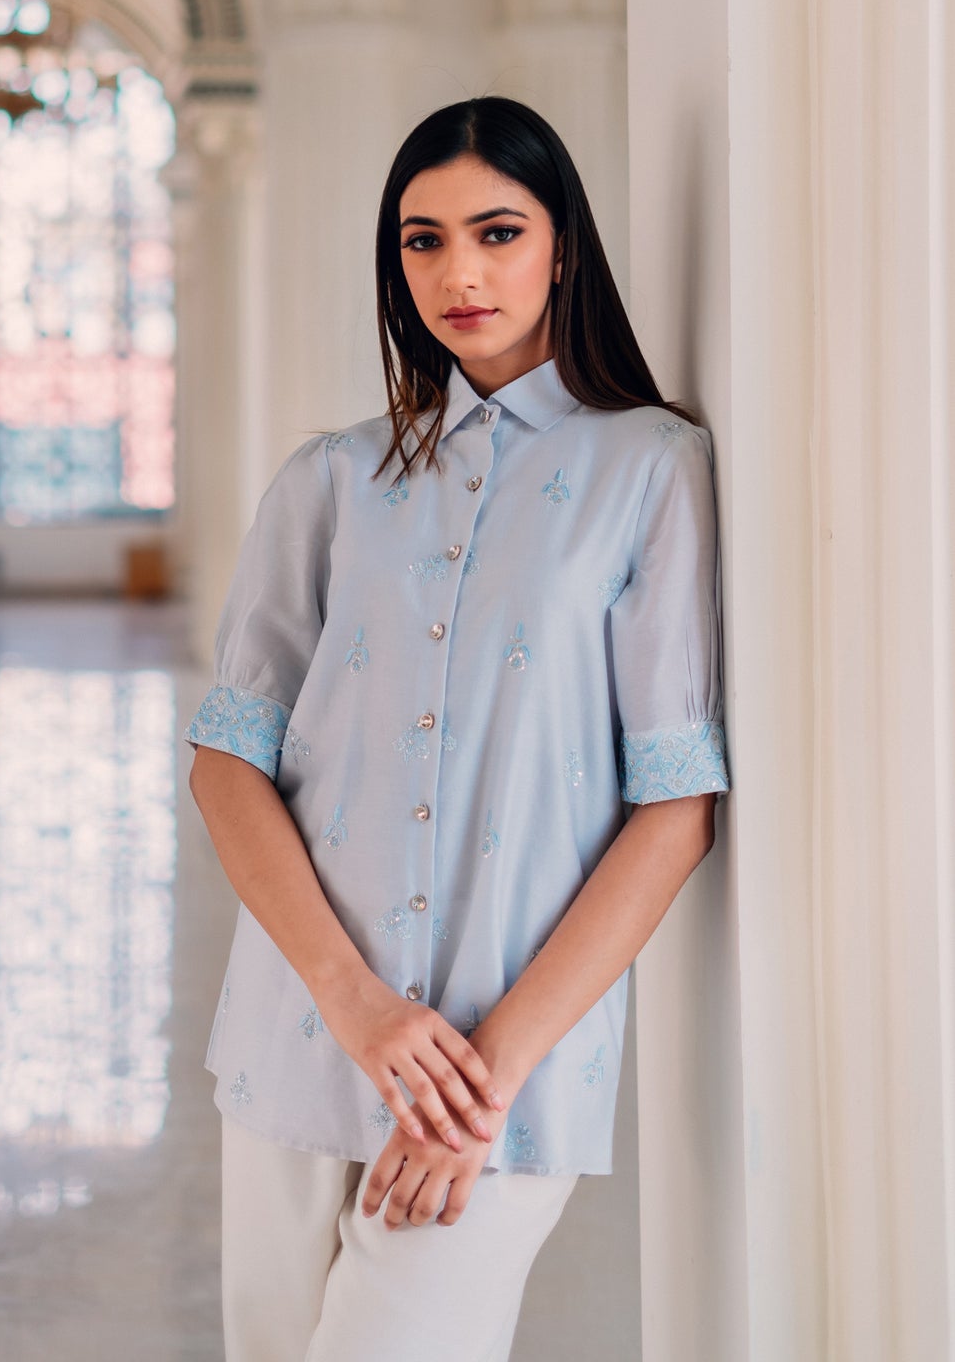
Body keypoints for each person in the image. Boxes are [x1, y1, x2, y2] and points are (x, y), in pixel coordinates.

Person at [185, 96, 730, 1362]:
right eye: (420, 240)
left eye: (495, 229)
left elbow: (675, 807)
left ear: (563, 248)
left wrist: (481, 1075)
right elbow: (227, 764)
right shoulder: (327, 478)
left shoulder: (651, 469)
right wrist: (357, 1008)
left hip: (504, 1076)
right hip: (295, 1038)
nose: (458, 270)